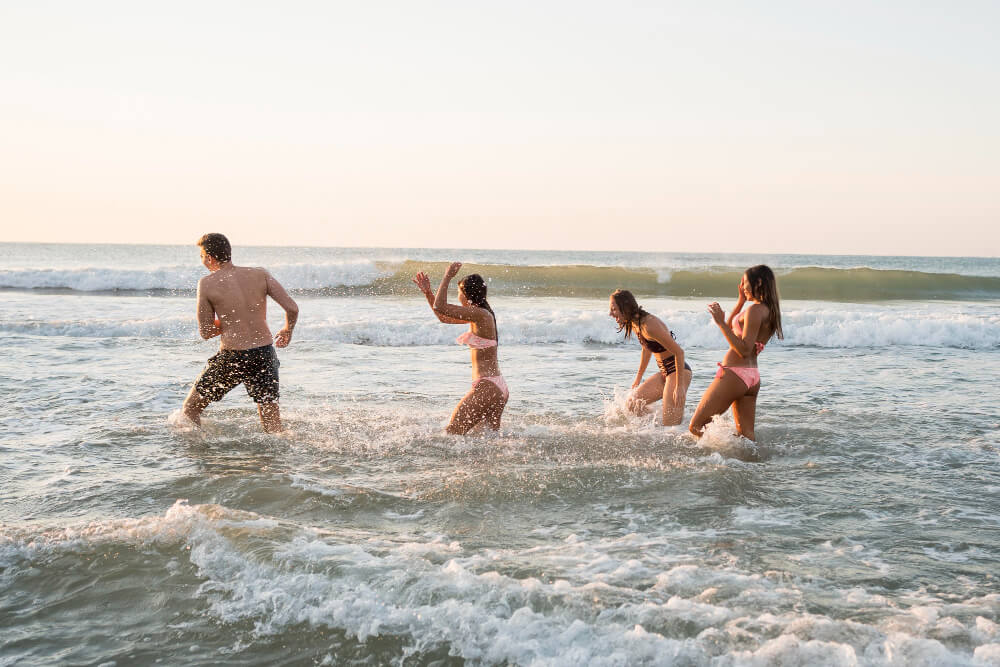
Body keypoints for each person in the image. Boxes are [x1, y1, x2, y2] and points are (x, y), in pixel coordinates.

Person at [181, 233, 299, 433]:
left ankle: (202, 455)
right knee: (273, 428)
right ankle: (276, 461)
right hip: (264, 354)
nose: (202, 260)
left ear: (209, 257)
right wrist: (288, 330)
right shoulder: (260, 274)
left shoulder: (207, 283)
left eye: (201, 255)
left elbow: (206, 331)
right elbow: (292, 309)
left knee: (190, 410)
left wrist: (228, 322)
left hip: (233, 357)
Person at [689, 265, 783, 441]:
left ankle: (718, 459)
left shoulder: (755, 310)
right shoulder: (768, 311)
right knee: (746, 437)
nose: (743, 287)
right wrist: (740, 301)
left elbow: (744, 349)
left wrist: (720, 323)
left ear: (759, 282)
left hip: (735, 374)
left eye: (745, 282)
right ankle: (750, 465)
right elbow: (736, 328)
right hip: (752, 377)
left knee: (695, 426)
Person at [412, 262, 508, 434]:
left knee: (451, 433)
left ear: (467, 295)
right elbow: (444, 317)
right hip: (496, 387)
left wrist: (448, 276)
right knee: (484, 441)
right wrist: (428, 293)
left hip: (487, 387)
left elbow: (440, 307)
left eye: (458, 293)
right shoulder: (480, 315)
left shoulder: (480, 314)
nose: (458, 297)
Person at [609, 289, 692, 426]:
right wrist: (638, 377)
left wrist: (679, 386)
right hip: (665, 372)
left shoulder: (649, 325)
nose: (610, 313)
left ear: (625, 308)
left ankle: (679, 427)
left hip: (678, 371)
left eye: (614, 309)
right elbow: (646, 349)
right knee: (633, 405)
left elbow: (679, 353)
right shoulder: (636, 323)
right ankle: (658, 426)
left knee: (671, 428)